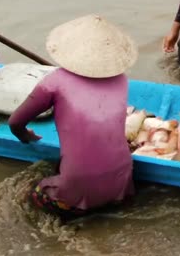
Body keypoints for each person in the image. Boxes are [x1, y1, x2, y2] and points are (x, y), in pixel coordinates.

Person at [9, 15, 137, 220]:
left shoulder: (55, 81)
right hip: (122, 185)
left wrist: (25, 136)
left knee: (28, 195)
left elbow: (15, 122)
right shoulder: (122, 80)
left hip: (78, 191)